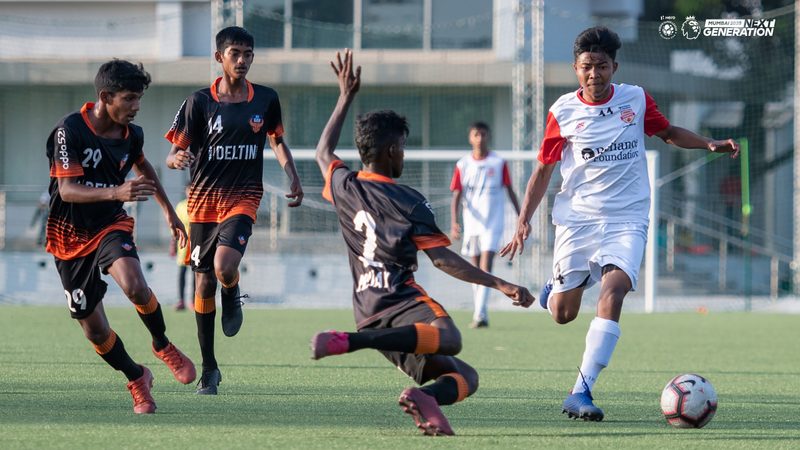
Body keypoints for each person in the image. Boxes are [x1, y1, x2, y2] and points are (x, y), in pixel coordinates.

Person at [501, 27, 739, 422]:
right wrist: (523, 220)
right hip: (577, 220)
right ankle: (554, 290)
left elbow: (668, 132)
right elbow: (543, 170)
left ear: (615, 66)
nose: (594, 74)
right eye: (586, 67)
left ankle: (581, 391)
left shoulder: (635, 99)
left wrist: (707, 143)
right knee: (562, 313)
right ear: (576, 69)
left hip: (627, 218)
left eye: (601, 66)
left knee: (613, 293)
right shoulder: (562, 111)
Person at [310, 50, 534, 436]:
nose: (404, 154)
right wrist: (500, 283)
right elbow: (443, 260)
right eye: (403, 146)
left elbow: (322, 152)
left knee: (465, 377)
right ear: (393, 151)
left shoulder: (345, 186)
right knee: (451, 338)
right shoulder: (409, 201)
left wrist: (344, 97)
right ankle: (356, 343)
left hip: (367, 309)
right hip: (402, 303)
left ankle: (424, 398)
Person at [45, 59, 196, 414]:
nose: (136, 106)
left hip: (110, 224)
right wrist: (117, 191)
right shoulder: (69, 130)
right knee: (95, 331)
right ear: (105, 97)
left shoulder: (132, 135)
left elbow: (143, 167)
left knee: (135, 285)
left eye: (139, 98)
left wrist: (169, 211)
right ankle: (137, 376)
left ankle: (162, 344)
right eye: (129, 98)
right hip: (68, 238)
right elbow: (67, 190)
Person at [165, 26, 304, 395]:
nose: (242, 60)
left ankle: (232, 287)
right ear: (219, 57)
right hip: (202, 204)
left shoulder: (266, 99)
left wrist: (293, 174)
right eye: (235, 54)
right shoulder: (198, 102)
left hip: (243, 198)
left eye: (248, 54)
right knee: (203, 283)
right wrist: (177, 159)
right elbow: (173, 153)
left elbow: (277, 140)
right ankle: (209, 368)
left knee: (224, 266)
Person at [450, 122, 520, 328]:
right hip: (472, 222)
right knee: (475, 268)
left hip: (493, 221)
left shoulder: (498, 162)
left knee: (486, 264)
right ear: (470, 138)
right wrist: (454, 222)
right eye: (476, 134)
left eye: (483, 134)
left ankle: (479, 314)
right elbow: (457, 194)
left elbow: (509, 190)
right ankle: (481, 312)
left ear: (488, 136)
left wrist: (521, 217)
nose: (480, 138)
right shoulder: (463, 164)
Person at [170, 184, 194, 311]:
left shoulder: (199, 204)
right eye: (188, 190)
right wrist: (173, 244)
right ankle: (181, 300)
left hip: (197, 242)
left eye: (192, 190)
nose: (190, 192)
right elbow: (175, 226)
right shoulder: (180, 206)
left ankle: (194, 301)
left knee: (196, 273)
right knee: (182, 272)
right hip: (183, 244)